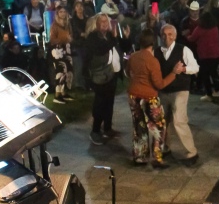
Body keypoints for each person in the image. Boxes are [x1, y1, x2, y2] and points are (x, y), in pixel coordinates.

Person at [126, 29, 183, 168]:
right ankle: (157, 157)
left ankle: (140, 157)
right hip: (149, 97)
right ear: (153, 43)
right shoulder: (152, 61)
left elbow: (128, 72)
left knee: (139, 126)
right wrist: (174, 73)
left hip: (134, 95)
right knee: (158, 126)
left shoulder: (133, 57)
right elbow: (159, 84)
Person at [155, 24, 200, 165]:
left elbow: (195, 67)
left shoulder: (183, 50)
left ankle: (192, 151)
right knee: (163, 121)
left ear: (174, 36)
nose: (166, 37)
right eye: (164, 34)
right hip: (163, 90)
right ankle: (165, 147)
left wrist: (184, 69)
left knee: (179, 119)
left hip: (180, 89)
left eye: (170, 34)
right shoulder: (156, 51)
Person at [86, 14, 130, 145]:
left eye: (107, 21)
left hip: (112, 74)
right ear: (96, 23)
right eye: (102, 21)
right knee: (100, 103)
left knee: (109, 102)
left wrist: (126, 38)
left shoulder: (111, 35)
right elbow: (101, 49)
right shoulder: (93, 37)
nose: (105, 24)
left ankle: (108, 128)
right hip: (100, 75)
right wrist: (114, 38)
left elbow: (124, 48)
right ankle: (95, 131)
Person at [187, 11, 219, 101]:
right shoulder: (215, 28)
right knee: (214, 72)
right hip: (217, 54)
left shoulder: (199, 28)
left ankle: (208, 94)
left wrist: (186, 35)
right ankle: (218, 91)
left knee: (205, 74)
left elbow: (192, 38)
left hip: (205, 55)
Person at [48, 6, 74, 104]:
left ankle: (63, 93)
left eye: (64, 11)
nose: (63, 13)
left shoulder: (67, 25)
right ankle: (57, 95)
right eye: (61, 12)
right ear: (57, 13)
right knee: (60, 72)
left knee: (67, 71)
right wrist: (64, 39)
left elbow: (70, 36)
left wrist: (70, 40)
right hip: (57, 51)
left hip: (66, 49)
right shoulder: (54, 26)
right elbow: (52, 40)